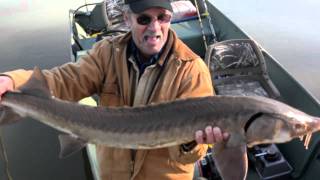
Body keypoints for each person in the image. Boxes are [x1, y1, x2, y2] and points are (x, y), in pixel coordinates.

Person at [0, 0, 228, 179]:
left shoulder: (192, 70)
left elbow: (191, 156)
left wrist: (193, 141)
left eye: (163, 17)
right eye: (144, 19)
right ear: (127, 19)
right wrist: (12, 81)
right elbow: (64, 80)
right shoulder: (107, 53)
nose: (155, 27)